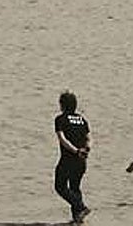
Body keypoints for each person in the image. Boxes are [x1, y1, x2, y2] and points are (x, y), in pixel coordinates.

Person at [54, 91, 91, 223]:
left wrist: (75, 151)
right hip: (82, 160)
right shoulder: (82, 120)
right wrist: (86, 150)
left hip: (69, 159)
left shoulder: (60, 119)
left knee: (60, 186)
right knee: (75, 187)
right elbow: (88, 138)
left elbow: (62, 139)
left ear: (62, 105)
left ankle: (81, 207)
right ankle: (77, 218)